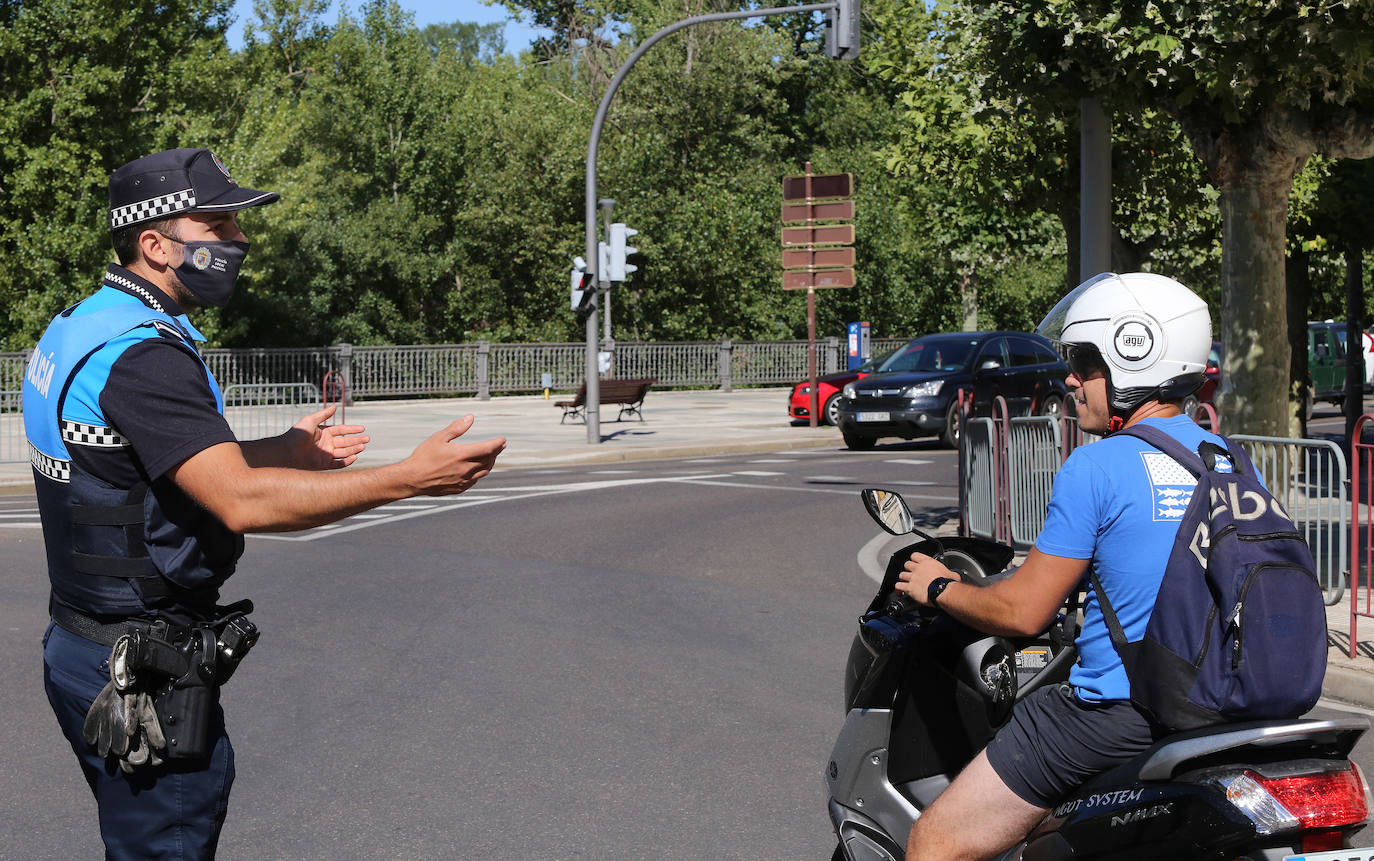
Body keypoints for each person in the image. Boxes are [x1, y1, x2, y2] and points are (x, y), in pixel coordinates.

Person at [23, 147, 506, 859]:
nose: (239, 240)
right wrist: (409, 478)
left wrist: (286, 448)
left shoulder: (81, 324)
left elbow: (142, 464)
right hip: (140, 672)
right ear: (156, 245)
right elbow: (240, 502)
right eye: (217, 225)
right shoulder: (144, 356)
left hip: (81, 645)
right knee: (166, 841)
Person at [893, 272, 1216, 860]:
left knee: (935, 843)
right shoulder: (1230, 460)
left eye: (1085, 364)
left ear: (1134, 357)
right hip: (1221, 703)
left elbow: (1023, 612)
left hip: (1119, 713)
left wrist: (939, 586)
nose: (1071, 379)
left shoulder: (1098, 466)